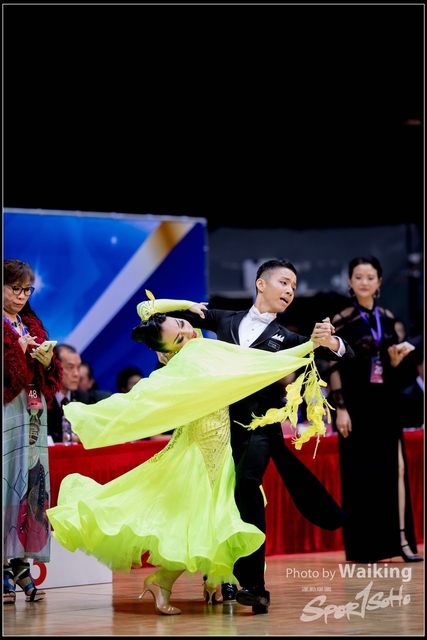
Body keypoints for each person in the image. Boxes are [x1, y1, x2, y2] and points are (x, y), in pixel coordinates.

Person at [46, 296, 339, 615]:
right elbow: (258, 366)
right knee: (200, 520)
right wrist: (308, 346)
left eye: (184, 324)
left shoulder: (193, 350)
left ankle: (210, 582)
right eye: (179, 337)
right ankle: (167, 582)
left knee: (213, 520)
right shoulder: (188, 360)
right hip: (202, 454)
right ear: (167, 351)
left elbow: (147, 309)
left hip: (219, 448)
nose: (189, 332)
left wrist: (186, 306)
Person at [141, 259, 355, 613]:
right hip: (219, 430)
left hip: (259, 427)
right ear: (261, 284)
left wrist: (330, 340)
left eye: (293, 286)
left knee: (246, 484)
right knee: (219, 503)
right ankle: (217, 579)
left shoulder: (287, 338)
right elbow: (149, 310)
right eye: (284, 282)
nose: (289, 290)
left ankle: (254, 586)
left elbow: (343, 353)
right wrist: (186, 306)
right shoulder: (224, 319)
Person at [328, 255, 423, 564]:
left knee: (396, 469)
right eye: (358, 277)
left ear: (379, 282)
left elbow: (398, 369)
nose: (364, 282)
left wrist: (395, 361)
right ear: (350, 282)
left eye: (370, 277)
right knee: (360, 476)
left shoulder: (389, 318)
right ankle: (364, 547)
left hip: (386, 402)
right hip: (356, 405)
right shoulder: (341, 319)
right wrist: (341, 409)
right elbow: (332, 365)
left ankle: (401, 541)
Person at [3, 259, 63, 604]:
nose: (22, 296)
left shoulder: (31, 322)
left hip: (33, 412)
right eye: (15, 288)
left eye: (27, 290)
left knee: (31, 483)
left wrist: (46, 361)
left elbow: (52, 376)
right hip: (5, 410)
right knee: (5, 482)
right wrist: (18, 351)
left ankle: (20, 562)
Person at [47, 345, 110, 444]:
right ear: (55, 368)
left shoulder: (84, 398)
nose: (77, 374)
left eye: (78, 367)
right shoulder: (42, 400)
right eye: (70, 367)